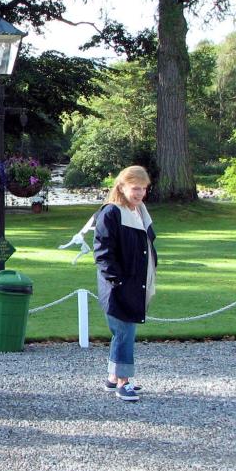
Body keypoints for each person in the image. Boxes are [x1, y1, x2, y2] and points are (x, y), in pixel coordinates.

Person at [93, 165, 157, 402]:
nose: (140, 193)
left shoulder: (139, 211)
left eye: (143, 188)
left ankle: (112, 377)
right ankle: (123, 382)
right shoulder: (111, 213)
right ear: (122, 187)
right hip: (119, 286)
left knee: (122, 332)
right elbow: (102, 252)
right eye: (135, 188)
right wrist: (116, 281)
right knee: (124, 332)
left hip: (134, 282)